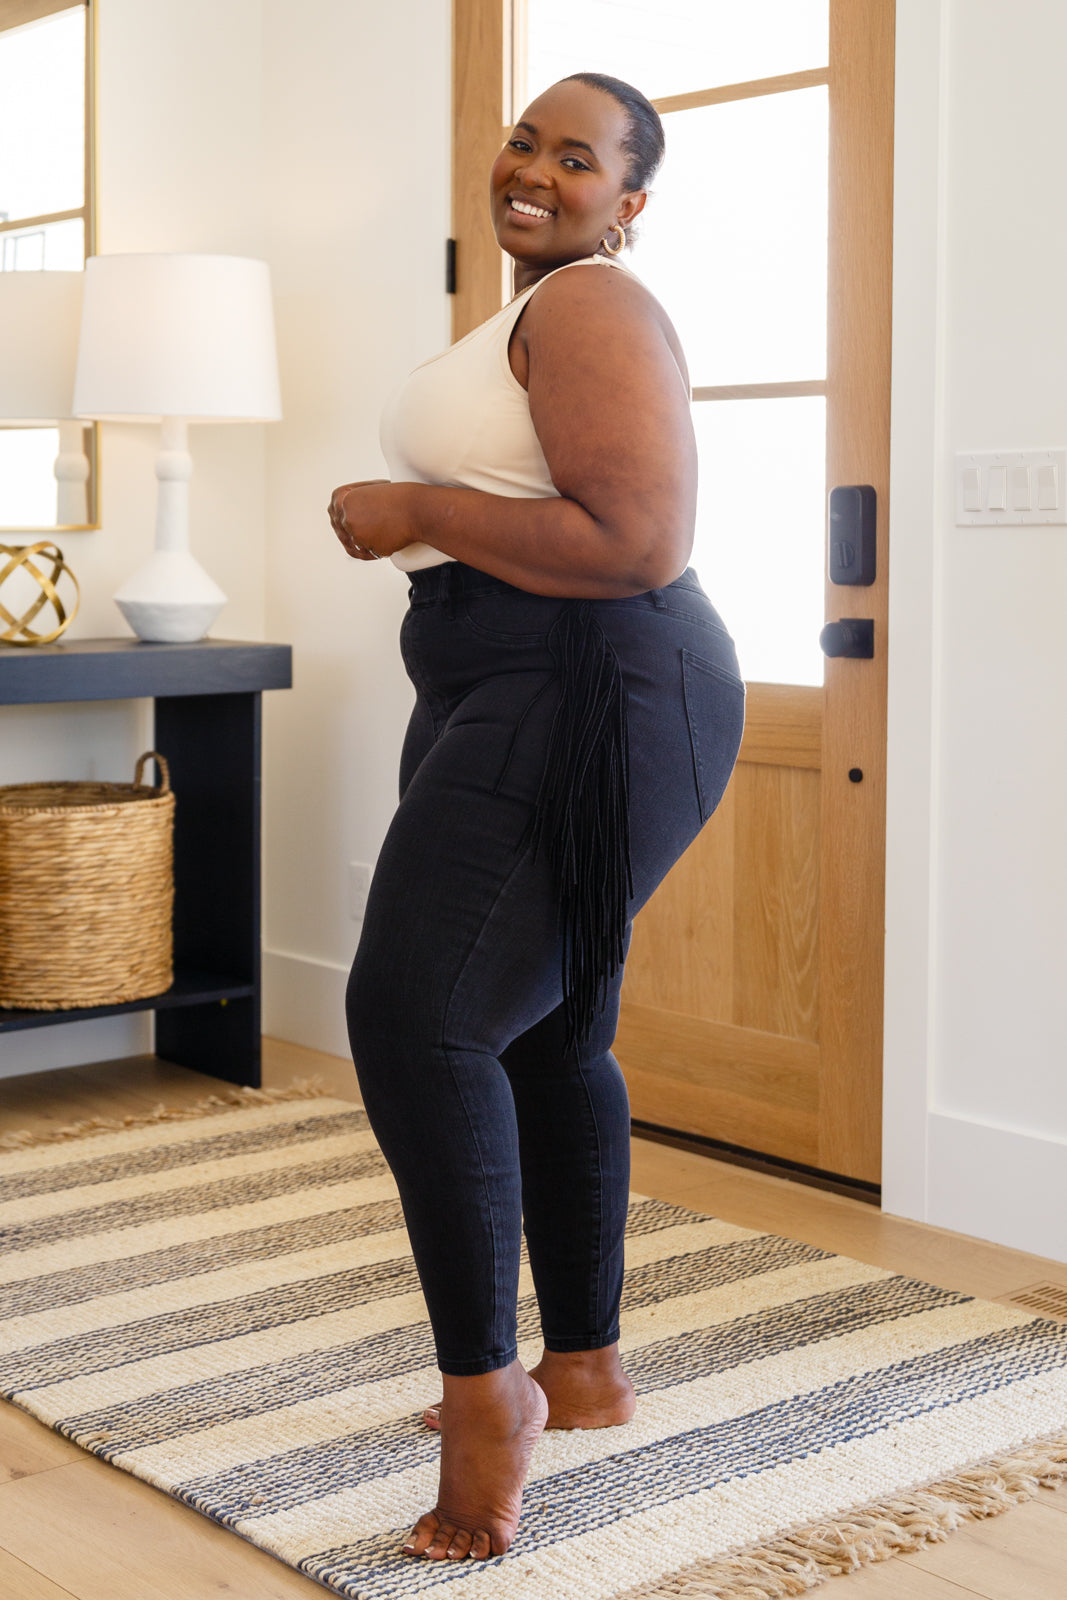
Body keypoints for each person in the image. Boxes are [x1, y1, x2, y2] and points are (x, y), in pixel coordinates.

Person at [328, 71, 745, 1563]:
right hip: (511, 680)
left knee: (417, 1016)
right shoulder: (526, 314)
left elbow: (638, 540)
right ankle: (583, 1368)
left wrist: (415, 511)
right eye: (524, 140)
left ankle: (487, 1395)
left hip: (593, 683)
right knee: (545, 1031)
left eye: (578, 157)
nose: (535, 170)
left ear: (628, 203)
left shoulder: (590, 304)